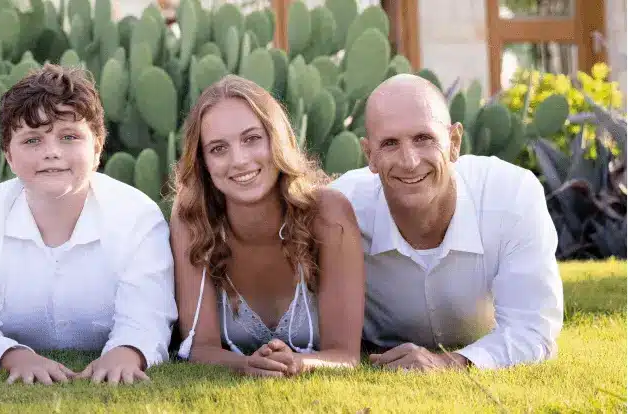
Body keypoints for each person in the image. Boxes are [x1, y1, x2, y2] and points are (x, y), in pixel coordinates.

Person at [0, 64, 177, 385]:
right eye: (32, 140)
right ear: (8, 156)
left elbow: (147, 314)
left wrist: (126, 353)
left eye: (69, 137)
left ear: (97, 148)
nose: (51, 152)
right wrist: (12, 356)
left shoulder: (137, 216)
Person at [329, 74, 563, 371]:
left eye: (423, 139)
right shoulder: (340, 210)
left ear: (454, 142)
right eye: (390, 144)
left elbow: (533, 329)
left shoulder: (512, 194)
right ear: (370, 155)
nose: (409, 161)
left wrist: (450, 362)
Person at [171, 75, 366, 377]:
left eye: (252, 139)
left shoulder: (328, 214)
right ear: (203, 163)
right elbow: (200, 349)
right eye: (218, 149)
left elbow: (344, 355)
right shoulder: (193, 218)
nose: (239, 160)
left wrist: (296, 363)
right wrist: (249, 365)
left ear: (277, 139)